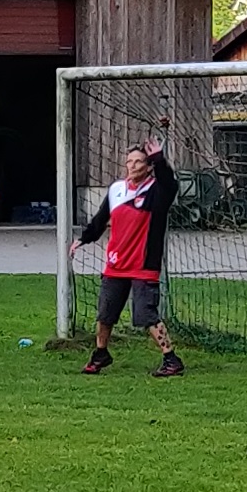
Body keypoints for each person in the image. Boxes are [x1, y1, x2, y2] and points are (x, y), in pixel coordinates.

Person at [69, 136, 186, 377]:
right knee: (105, 313)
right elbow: (101, 219)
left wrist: (159, 159)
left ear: (148, 166)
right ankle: (101, 353)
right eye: (129, 161)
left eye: (139, 161)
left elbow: (170, 184)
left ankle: (171, 359)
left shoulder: (156, 191)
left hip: (143, 264)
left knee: (146, 315)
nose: (133, 166)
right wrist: (83, 238)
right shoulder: (116, 190)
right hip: (115, 264)